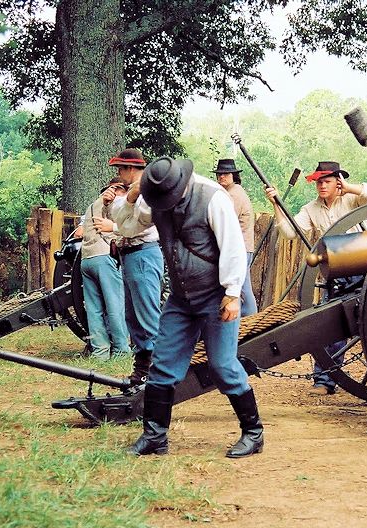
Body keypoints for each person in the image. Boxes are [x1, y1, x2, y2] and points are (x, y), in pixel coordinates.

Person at [126, 156, 264, 458]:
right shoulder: (157, 196)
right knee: (161, 366)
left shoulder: (213, 197)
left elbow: (233, 247)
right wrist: (132, 196)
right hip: (180, 298)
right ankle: (155, 437)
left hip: (215, 296)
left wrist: (231, 293)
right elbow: (128, 226)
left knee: (223, 365)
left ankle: (253, 434)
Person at [265, 161, 367, 395]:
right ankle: (325, 381)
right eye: (318, 182)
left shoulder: (353, 199)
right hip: (336, 273)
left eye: (326, 181)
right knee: (329, 324)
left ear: (338, 181)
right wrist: (276, 205)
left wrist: (351, 188)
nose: (321, 186)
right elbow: (290, 232)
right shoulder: (311, 209)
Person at [105, 148, 164, 385]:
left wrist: (120, 216)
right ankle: (142, 368)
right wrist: (117, 203)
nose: (119, 174)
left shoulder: (148, 191)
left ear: (131, 169)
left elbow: (136, 225)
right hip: (130, 255)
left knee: (148, 315)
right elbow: (120, 216)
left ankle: (159, 371)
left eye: (120, 169)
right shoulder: (131, 192)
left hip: (143, 253)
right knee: (133, 317)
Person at [77, 176, 130, 360]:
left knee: (94, 309)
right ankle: (122, 350)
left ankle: (100, 352)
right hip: (104, 257)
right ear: (115, 190)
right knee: (115, 305)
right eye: (124, 191)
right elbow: (124, 227)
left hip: (87, 259)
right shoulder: (111, 203)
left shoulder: (92, 205)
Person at [212, 158, 258, 316]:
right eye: (219, 174)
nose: (221, 177)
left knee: (242, 288)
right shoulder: (230, 193)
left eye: (225, 174)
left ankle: (252, 324)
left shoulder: (234, 194)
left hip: (240, 249)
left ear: (234, 175)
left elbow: (224, 222)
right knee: (243, 287)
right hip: (242, 248)